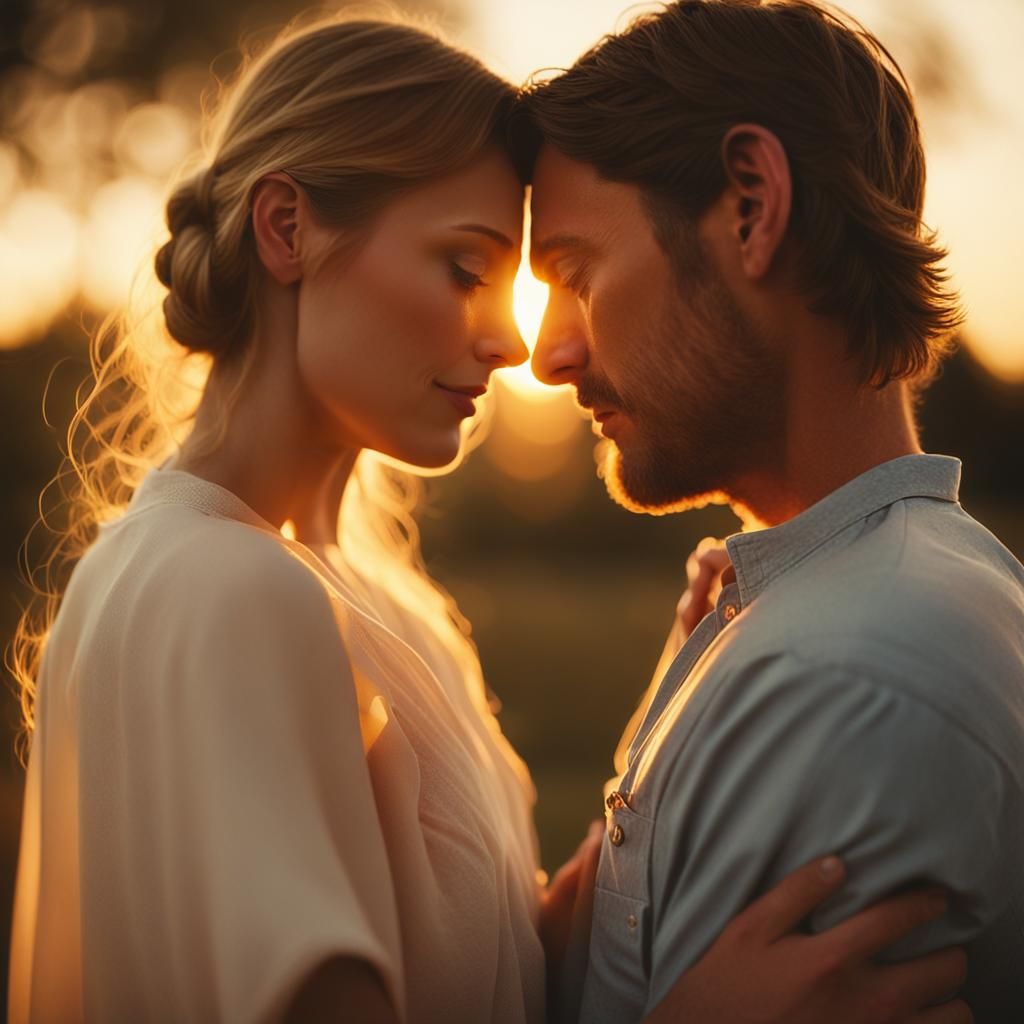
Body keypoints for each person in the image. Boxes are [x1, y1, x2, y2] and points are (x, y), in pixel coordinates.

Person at [7, 11, 967, 1024]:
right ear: (286, 229)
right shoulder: (230, 588)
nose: (513, 342)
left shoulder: (348, 590)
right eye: (465, 269)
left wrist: (674, 706)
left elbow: (491, 972)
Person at [518, 0, 1024, 1021]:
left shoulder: (837, 675)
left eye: (576, 271)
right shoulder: (813, 605)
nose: (547, 353)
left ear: (750, 204)